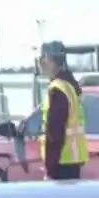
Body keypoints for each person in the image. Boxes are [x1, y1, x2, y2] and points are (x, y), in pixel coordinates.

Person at [38, 40, 87, 181]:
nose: (41, 64)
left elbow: (55, 133)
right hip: (72, 162)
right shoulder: (71, 87)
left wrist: (50, 168)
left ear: (52, 61)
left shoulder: (57, 90)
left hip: (61, 164)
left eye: (43, 60)